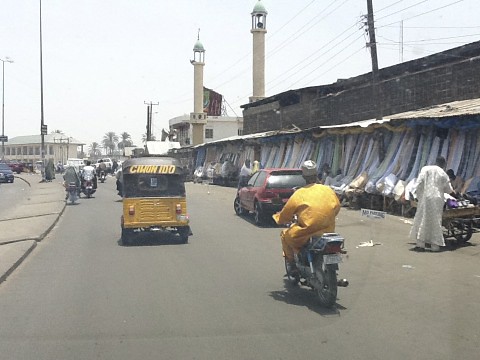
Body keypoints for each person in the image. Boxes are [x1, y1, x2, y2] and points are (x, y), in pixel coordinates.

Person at [272, 160, 341, 274]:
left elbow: (286, 213)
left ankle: (292, 265)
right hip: (328, 231)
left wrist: (279, 218)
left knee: (285, 235)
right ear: (316, 174)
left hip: (307, 233)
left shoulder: (300, 193)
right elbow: (337, 207)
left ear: (304, 176)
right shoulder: (328, 190)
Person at [410, 156, 453, 252]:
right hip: (437, 199)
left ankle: (420, 244)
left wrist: (417, 194)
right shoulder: (443, 173)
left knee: (422, 219)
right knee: (435, 221)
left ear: (435, 161)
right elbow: (448, 190)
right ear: (443, 165)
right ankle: (435, 246)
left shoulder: (425, 169)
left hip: (425, 198)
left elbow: (419, 182)